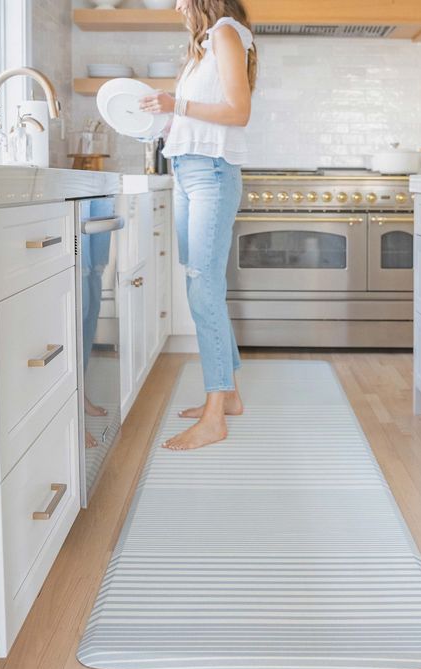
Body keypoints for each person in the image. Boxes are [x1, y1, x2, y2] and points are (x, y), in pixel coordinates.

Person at [140, 0, 256, 450]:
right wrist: (168, 118)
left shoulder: (227, 32)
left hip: (211, 172)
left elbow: (238, 111)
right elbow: (199, 113)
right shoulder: (206, 45)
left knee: (203, 289)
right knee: (201, 285)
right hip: (189, 170)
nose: (175, 5)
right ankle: (229, 397)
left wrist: (178, 103)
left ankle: (213, 417)